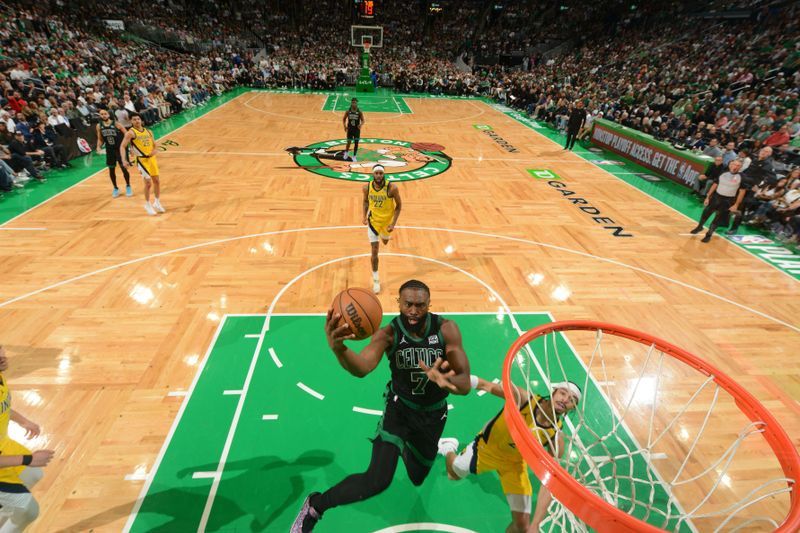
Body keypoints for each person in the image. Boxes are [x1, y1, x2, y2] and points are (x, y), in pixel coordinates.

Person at [291, 280, 472, 533]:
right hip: (399, 412)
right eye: (407, 304)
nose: (413, 310)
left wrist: (448, 380)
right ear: (398, 303)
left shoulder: (447, 330)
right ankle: (315, 505)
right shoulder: (388, 334)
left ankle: (421, 446)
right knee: (377, 480)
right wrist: (339, 349)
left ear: (429, 305)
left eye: (420, 305)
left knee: (418, 476)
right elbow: (363, 367)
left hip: (432, 416)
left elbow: (465, 384)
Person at [438, 377, 581, 533]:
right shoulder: (525, 399)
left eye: (572, 400)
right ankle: (449, 447)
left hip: (514, 465)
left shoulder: (556, 438)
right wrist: (459, 378)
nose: (565, 399)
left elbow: (549, 483)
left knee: (522, 526)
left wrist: (536, 525)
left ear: (573, 408)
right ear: (553, 392)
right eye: (563, 393)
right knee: (454, 474)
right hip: (486, 449)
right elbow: (486, 385)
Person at [0, 346, 55, 533]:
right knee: (29, 511)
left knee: (34, 475)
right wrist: (29, 459)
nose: (1, 356)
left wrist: (24, 421)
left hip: (3, 445)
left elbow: (3, 406)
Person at [363, 165, 402, 294]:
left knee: (385, 241)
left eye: (381, 173)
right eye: (376, 173)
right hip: (373, 222)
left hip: (387, 222)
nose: (379, 175)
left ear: (383, 174)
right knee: (374, 251)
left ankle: (385, 236)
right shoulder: (366, 187)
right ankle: (376, 281)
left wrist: (393, 224)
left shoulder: (392, 188)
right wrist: (363, 216)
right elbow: (365, 202)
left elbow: (399, 206)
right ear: (373, 174)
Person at [690, 159, 746, 243]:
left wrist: (736, 205)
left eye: (738, 165)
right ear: (730, 164)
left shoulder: (742, 177)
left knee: (718, 217)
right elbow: (715, 184)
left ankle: (709, 234)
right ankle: (699, 226)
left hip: (728, 200)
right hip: (716, 196)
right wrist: (708, 197)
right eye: (734, 164)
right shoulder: (723, 173)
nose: (735, 166)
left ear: (740, 167)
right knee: (706, 212)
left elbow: (742, 192)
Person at [120, 113, 163, 216]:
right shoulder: (130, 133)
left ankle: (157, 202)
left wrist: (155, 150)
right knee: (148, 183)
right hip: (141, 160)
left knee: (157, 181)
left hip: (151, 159)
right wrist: (124, 160)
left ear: (141, 120)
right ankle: (147, 204)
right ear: (131, 121)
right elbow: (122, 146)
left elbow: (155, 144)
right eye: (134, 119)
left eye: (138, 119)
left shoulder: (148, 131)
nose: (137, 121)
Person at [96, 109, 131, 197]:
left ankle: (128, 185)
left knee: (124, 169)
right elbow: (100, 139)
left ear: (109, 114)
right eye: (101, 114)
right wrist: (98, 147)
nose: (103, 115)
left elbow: (127, 135)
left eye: (105, 114)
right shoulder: (99, 126)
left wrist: (128, 147)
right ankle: (115, 188)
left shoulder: (116, 124)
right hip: (109, 149)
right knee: (111, 170)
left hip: (119, 149)